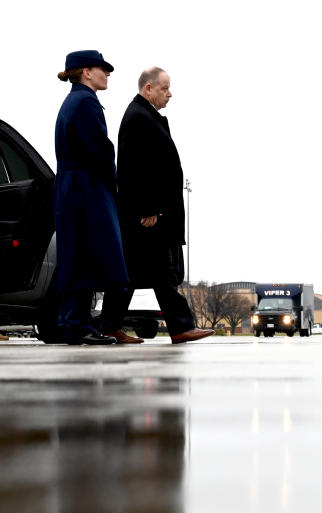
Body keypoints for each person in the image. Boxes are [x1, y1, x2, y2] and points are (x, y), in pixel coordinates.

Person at [99, 67, 214, 345]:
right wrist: (148, 208)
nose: (170, 93)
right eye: (164, 88)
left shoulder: (144, 115)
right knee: (162, 273)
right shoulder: (139, 117)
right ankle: (180, 326)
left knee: (134, 272)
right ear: (148, 88)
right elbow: (133, 168)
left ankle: (110, 326)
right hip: (148, 215)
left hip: (150, 213)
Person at [53, 51, 127, 345]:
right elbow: (99, 150)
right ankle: (77, 325)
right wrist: (113, 187)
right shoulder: (85, 102)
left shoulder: (73, 101)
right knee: (86, 254)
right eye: (103, 69)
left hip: (72, 186)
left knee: (76, 254)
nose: (107, 74)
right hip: (86, 187)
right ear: (86, 71)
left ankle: (74, 323)